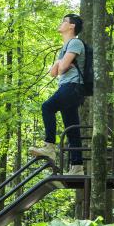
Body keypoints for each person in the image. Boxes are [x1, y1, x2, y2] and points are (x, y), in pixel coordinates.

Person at [29, 13, 86, 175]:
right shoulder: (65, 48)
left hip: (72, 86)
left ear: (72, 26)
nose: (61, 23)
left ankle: (49, 147)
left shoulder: (75, 42)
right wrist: (60, 64)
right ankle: (77, 167)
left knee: (47, 107)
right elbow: (53, 73)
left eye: (64, 21)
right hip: (69, 88)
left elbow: (61, 69)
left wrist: (61, 65)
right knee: (72, 129)